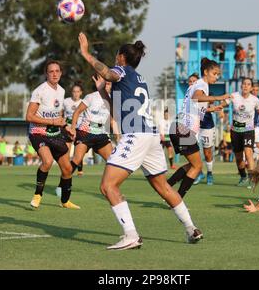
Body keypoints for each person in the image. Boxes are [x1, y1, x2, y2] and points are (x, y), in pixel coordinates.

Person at [79, 32, 203, 250]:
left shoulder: (122, 71)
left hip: (135, 135)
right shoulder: (139, 79)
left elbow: (108, 73)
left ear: (121, 57)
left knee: (108, 186)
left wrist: (86, 54)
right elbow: (115, 108)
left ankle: (131, 235)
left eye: (117, 55)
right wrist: (102, 92)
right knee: (163, 187)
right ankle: (192, 229)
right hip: (151, 136)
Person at [168, 58, 229, 194]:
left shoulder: (195, 85)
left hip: (178, 127)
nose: (217, 77)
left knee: (193, 164)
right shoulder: (201, 85)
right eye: (214, 73)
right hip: (184, 129)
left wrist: (212, 109)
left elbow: (193, 105)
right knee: (197, 166)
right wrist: (219, 97)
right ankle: (177, 198)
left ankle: (167, 186)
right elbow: (197, 97)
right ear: (206, 72)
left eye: (218, 74)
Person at [26, 60, 77, 210]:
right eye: (51, 71)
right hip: (38, 132)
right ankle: (37, 195)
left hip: (55, 133)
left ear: (61, 73)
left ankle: (65, 201)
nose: (54, 74)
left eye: (57, 71)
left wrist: (66, 127)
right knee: (47, 161)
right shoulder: (39, 91)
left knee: (67, 169)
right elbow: (29, 116)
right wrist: (53, 121)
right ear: (46, 74)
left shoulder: (61, 91)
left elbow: (59, 115)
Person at [59, 77, 114, 209]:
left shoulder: (113, 99)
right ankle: (63, 185)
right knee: (77, 160)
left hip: (101, 133)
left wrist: (119, 135)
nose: (107, 86)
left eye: (109, 84)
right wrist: (72, 128)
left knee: (114, 161)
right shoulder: (91, 97)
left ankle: (110, 189)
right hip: (85, 132)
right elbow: (77, 112)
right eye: (105, 83)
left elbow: (112, 120)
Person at [221, 77, 259, 188]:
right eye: (244, 84)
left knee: (248, 152)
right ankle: (243, 176)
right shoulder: (234, 96)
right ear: (241, 86)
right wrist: (219, 110)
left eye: (248, 84)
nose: (246, 86)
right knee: (238, 157)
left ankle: (252, 178)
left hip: (248, 130)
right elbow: (222, 104)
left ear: (251, 87)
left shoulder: (255, 100)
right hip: (235, 131)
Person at [194, 91, 225, 185]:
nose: (191, 83)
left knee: (207, 153)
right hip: (194, 127)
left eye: (193, 81)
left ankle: (209, 173)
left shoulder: (206, 96)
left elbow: (214, 107)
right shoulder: (190, 96)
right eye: (190, 82)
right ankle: (199, 173)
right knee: (192, 152)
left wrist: (219, 111)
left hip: (207, 127)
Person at [63, 83, 84, 176]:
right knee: (66, 150)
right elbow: (61, 114)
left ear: (81, 93)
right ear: (72, 92)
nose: (76, 94)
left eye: (78, 92)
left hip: (79, 129)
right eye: (74, 91)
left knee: (78, 151)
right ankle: (66, 169)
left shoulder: (84, 102)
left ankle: (80, 170)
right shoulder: (66, 101)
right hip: (68, 129)